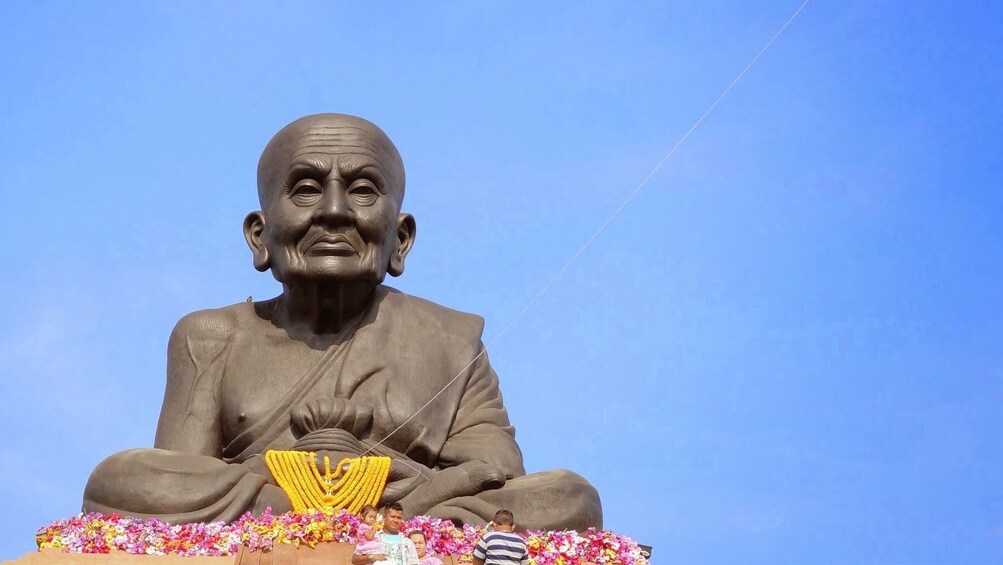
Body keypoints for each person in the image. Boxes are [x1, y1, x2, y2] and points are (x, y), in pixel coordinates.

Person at [81, 113, 602, 531]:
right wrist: (286, 472)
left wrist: (379, 476)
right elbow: (180, 474)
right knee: (121, 479)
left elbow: (497, 471)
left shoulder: (450, 339)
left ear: (399, 239)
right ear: (260, 237)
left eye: (362, 191)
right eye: (306, 188)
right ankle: (357, 523)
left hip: (410, 505)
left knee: (568, 497)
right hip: (274, 502)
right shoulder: (210, 335)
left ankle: (376, 522)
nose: (334, 211)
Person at [352, 503, 419, 565]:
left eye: (399, 518)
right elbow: (354, 559)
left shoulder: (407, 543)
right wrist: (372, 557)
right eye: (393, 517)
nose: (396, 520)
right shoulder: (372, 536)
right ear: (384, 518)